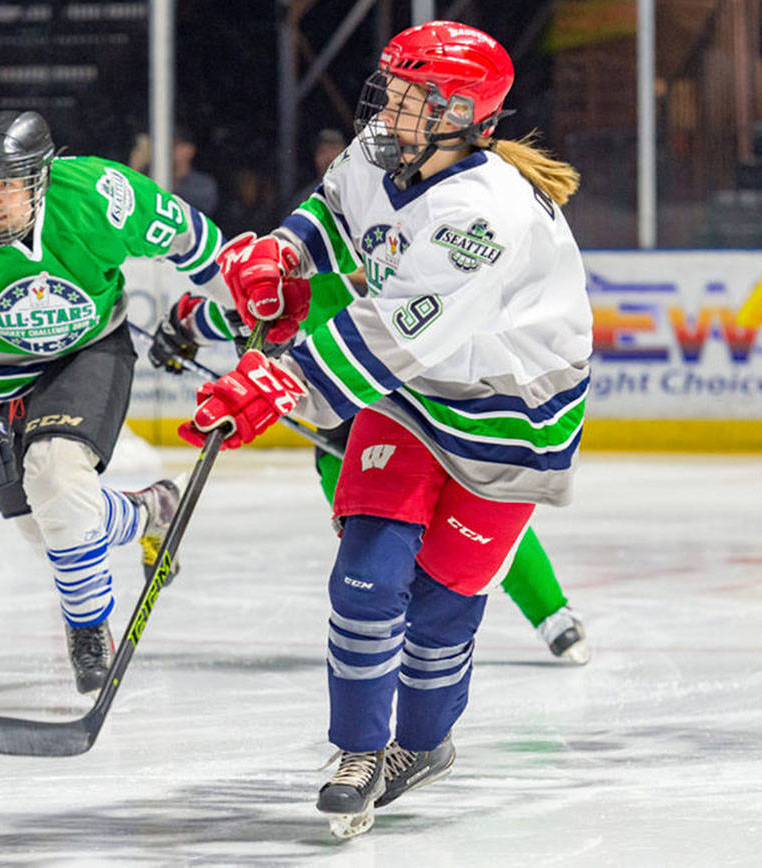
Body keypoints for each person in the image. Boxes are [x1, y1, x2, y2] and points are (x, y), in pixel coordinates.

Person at [178, 21, 591, 838]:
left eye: (411, 94)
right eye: (394, 88)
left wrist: (279, 377)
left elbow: (389, 333)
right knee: (366, 575)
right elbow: (335, 212)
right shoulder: (384, 143)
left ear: (461, 113)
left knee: (440, 609)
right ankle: (359, 752)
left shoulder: (485, 216)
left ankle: (423, 745)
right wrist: (285, 259)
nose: (388, 105)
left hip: (513, 416)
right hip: (412, 395)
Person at [0, 109, 229, 695]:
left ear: (41, 178)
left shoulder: (100, 196)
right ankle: (152, 511)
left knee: (55, 475)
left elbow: (197, 244)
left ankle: (89, 631)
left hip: (86, 355)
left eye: (6, 186)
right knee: (48, 524)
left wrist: (235, 308)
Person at [147, 272, 590, 665]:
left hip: (417, 417)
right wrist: (183, 324)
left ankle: (549, 610)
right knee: (375, 542)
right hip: (343, 439)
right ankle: (394, 636)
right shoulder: (281, 295)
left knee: (476, 514)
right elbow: (229, 315)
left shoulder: (359, 284)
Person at [290, 128, 348, 211]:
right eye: (323, 151)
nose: (329, 158)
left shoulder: (360, 193)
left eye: (334, 149)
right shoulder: (305, 201)